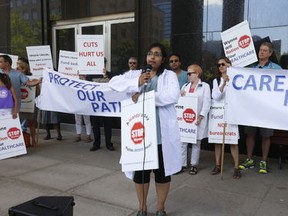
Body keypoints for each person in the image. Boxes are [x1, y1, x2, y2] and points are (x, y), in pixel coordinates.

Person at [108, 43, 182, 216]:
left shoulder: (169, 75)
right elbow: (113, 83)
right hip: (140, 135)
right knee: (140, 174)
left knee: (162, 174)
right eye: (150, 53)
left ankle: (160, 208)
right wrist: (137, 82)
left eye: (157, 54)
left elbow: (172, 95)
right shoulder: (135, 74)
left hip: (161, 136)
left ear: (163, 59)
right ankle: (142, 208)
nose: (152, 57)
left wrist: (145, 96)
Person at [239, 42, 282, 174]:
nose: (261, 52)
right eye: (260, 50)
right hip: (252, 108)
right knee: (250, 134)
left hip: (267, 109)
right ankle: (249, 159)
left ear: (270, 53)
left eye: (264, 50)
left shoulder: (277, 69)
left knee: (266, 135)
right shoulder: (251, 68)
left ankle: (263, 161)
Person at [210, 57, 241, 179]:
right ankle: (218, 165)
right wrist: (223, 83)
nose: (221, 66)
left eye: (223, 64)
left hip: (231, 112)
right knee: (217, 140)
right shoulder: (216, 80)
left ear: (229, 65)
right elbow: (215, 96)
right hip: (218, 114)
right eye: (219, 65)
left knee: (233, 141)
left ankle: (236, 167)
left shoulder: (237, 78)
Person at [180, 64, 211, 175]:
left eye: (190, 73)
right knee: (183, 141)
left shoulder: (205, 86)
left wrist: (201, 116)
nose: (188, 75)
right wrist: (180, 94)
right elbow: (180, 103)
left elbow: (207, 103)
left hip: (198, 119)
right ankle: (182, 164)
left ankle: (194, 165)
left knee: (196, 143)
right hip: (186, 119)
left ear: (197, 73)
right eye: (187, 73)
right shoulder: (185, 86)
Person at [88, 57, 115, 151]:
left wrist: (106, 75)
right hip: (95, 104)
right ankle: (96, 143)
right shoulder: (90, 75)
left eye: (103, 63)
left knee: (107, 125)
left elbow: (114, 85)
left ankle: (109, 143)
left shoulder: (110, 74)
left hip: (106, 105)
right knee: (95, 125)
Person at [17, 58, 38, 146]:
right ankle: (21, 142)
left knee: (31, 123)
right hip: (19, 104)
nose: (16, 69)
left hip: (30, 104)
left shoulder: (31, 78)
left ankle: (33, 140)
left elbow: (37, 93)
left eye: (18, 68)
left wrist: (37, 86)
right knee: (20, 123)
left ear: (23, 69)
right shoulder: (15, 77)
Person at [74, 75, 92, 143]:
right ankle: (78, 135)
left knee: (87, 120)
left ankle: (88, 135)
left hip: (85, 103)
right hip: (77, 103)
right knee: (77, 120)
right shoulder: (74, 79)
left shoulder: (88, 80)